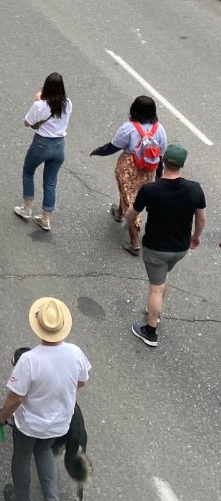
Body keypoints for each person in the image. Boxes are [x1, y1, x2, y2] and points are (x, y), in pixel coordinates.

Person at [0, 298, 91, 501]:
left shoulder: (29, 360)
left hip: (30, 424)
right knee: (44, 452)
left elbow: (15, 399)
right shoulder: (75, 353)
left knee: (23, 456)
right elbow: (81, 381)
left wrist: (0, 418)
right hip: (59, 424)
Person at [125, 144, 206, 347]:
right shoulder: (195, 189)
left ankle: (150, 331)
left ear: (163, 161)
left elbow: (132, 213)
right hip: (179, 248)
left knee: (155, 288)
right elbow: (201, 219)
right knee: (162, 279)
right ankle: (156, 310)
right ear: (182, 165)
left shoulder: (151, 189)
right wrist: (195, 237)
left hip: (155, 248)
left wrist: (126, 224)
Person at [88, 96, 167, 256]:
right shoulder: (159, 129)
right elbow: (160, 155)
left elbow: (113, 147)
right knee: (130, 194)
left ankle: (134, 241)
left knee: (129, 199)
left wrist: (98, 151)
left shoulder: (129, 128)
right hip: (147, 168)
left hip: (129, 167)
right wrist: (159, 175)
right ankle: (119, 213)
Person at [17, 73, 71, 231]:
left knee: (28, 171)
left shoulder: (40, 105)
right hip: (60, 145)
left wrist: (38, 101)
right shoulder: (67, 103)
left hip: (42, 144)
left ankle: (27, 207)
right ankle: (45, 218)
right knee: (51, 181)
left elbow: (27, 123)